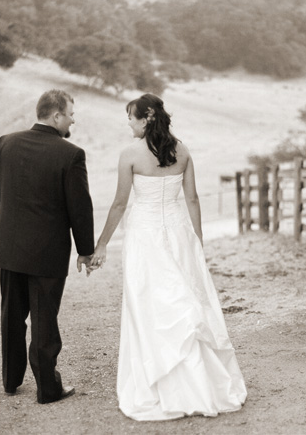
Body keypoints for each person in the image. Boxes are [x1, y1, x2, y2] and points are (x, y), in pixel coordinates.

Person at [91, 93, 247, 420]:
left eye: (131, 118)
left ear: (146, 117)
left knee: (148, 303)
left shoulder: (130, 155)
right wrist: (197, 241)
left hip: (145, 235)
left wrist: (102, 243)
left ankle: (158, 381)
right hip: (179, 234)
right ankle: (201, 382)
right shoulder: (183, 151)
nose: (128, 124)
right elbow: (192, 200)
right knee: (186, 300)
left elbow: (120, 204)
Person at [0, 89, 94, 404]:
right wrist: (85, 250)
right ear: (57, 115)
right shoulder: (70, 154)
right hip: (47, 253)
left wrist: (5, 232)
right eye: (71, 114)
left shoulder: (6, 143)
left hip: (9, 247)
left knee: (12, 315)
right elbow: (80, 207)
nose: (73, 120)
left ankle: (10, 381)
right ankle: (48, 389)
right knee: (44, 319)